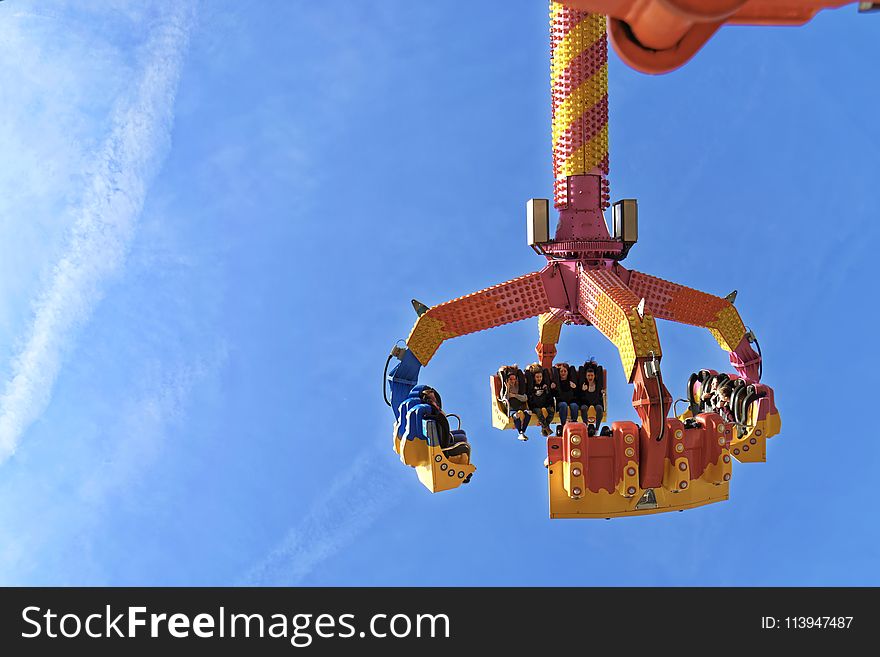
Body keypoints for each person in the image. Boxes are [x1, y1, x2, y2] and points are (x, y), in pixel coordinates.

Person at [419, 386, 472, 482]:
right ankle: (463, 470)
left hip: (443, 435)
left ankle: (462, 465)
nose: (434, 397)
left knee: (462, 434)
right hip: (444, 446)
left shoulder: (434, 408)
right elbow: (442, 422)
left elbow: (442, 423)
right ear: (429, 398)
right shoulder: (436, 412)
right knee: (465, 446)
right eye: (432, 395)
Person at [499, 368, 531, 441]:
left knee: (529, 412)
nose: (513, 381)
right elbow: (504, 400)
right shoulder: (504, 389)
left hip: (521, 406)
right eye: (511, 379)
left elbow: (525, 398)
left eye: (514, 379)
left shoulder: (519, 387)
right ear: (507, 380)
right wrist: (507, 389)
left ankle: (522, 432)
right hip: (511, 409)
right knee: (516, 415)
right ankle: (520, 432)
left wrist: (514, 395)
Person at [526, 364, 554, 437]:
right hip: (535, 406)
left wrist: (546, 389)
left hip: (544, 404)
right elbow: (528, 374)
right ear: (534, 378)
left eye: (540, 377)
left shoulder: (544, 385)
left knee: (551, 411)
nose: (539, 378)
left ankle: (544, 427)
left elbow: (545, 371)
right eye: (537, 377)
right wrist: (528, 369)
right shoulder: (532, 386)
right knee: (539, 412)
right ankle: (546, 428)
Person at [551, 362, 579, 431]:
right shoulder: (557, 382)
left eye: (565, 371)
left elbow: (577, 394)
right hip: (561, 402)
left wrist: (575, 388)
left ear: (567, 372)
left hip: (570, 401)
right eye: (561, 371)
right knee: (564, 405)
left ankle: (574, 423)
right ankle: (563, 425)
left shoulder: (571, 382)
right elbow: (553, 394)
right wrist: (552, 388)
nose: (563, 373)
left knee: (574, 406)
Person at [578, 364, 604, 435]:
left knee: (599, 408)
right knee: (583, 408)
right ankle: (585, 426)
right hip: (586, 402)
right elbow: (581, 368)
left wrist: (593, 365)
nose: (590, 377)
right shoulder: (583, 384)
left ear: (594, 376)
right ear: (585, 376)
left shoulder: (598, 384)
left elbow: (600, 368)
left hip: (596, 401)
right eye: (588, 375)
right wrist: (582, 390)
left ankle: (597, 428)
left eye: (592, 375)